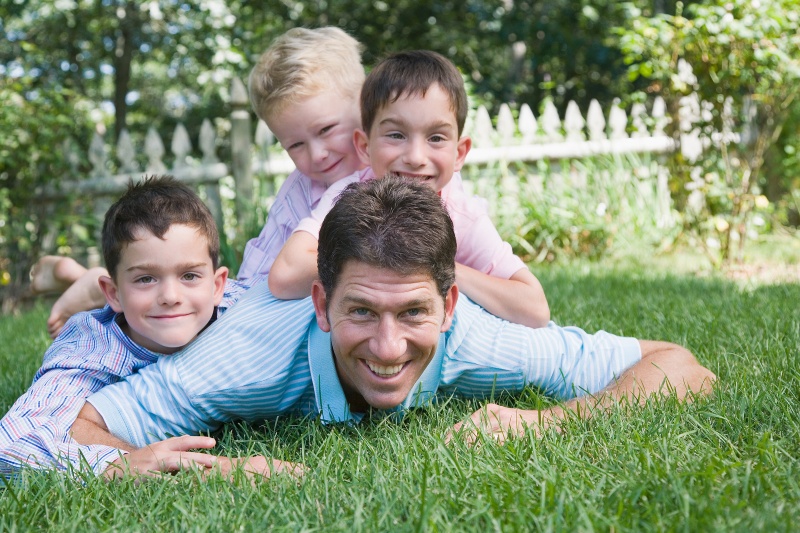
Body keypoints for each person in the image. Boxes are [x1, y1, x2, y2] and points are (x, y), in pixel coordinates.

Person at [72, 176, 716, 456]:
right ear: (321, 303)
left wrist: (542, 424)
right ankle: (73, 281)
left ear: (450, 305)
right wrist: (138, 462)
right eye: (360, 312)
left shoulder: (474, 338)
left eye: (413, 312)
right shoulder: (240, 358)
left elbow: (681, 367)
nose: (386, 347)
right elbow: (79, 427)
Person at [29, 26, 367, 338]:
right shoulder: (311, 185)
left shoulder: (385, 167)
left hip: (268, 300)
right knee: (166, 336)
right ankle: (91, 284)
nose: (318, 154)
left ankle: (76, 275)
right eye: (296, 145)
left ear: (364, 102)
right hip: (250, 303)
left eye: (326, 130)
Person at [1, 176, 298, 480]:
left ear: (218, 284)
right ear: (114, 293)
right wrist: (120, 463)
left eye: (189, 276)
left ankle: (82, 277)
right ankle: (80, 279)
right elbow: (11, 448)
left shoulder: (238, 306)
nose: (171, 297)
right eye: (146, 278)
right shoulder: (91, 350)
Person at [268, 50, 550, 329]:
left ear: (460, 153)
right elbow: (285, 275)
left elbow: (534, 310)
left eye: (436, 138)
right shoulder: (349, 194)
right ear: (365, 147)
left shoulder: (462, 215)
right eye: (396, 135)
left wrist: (438, 269)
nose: (416, 156)